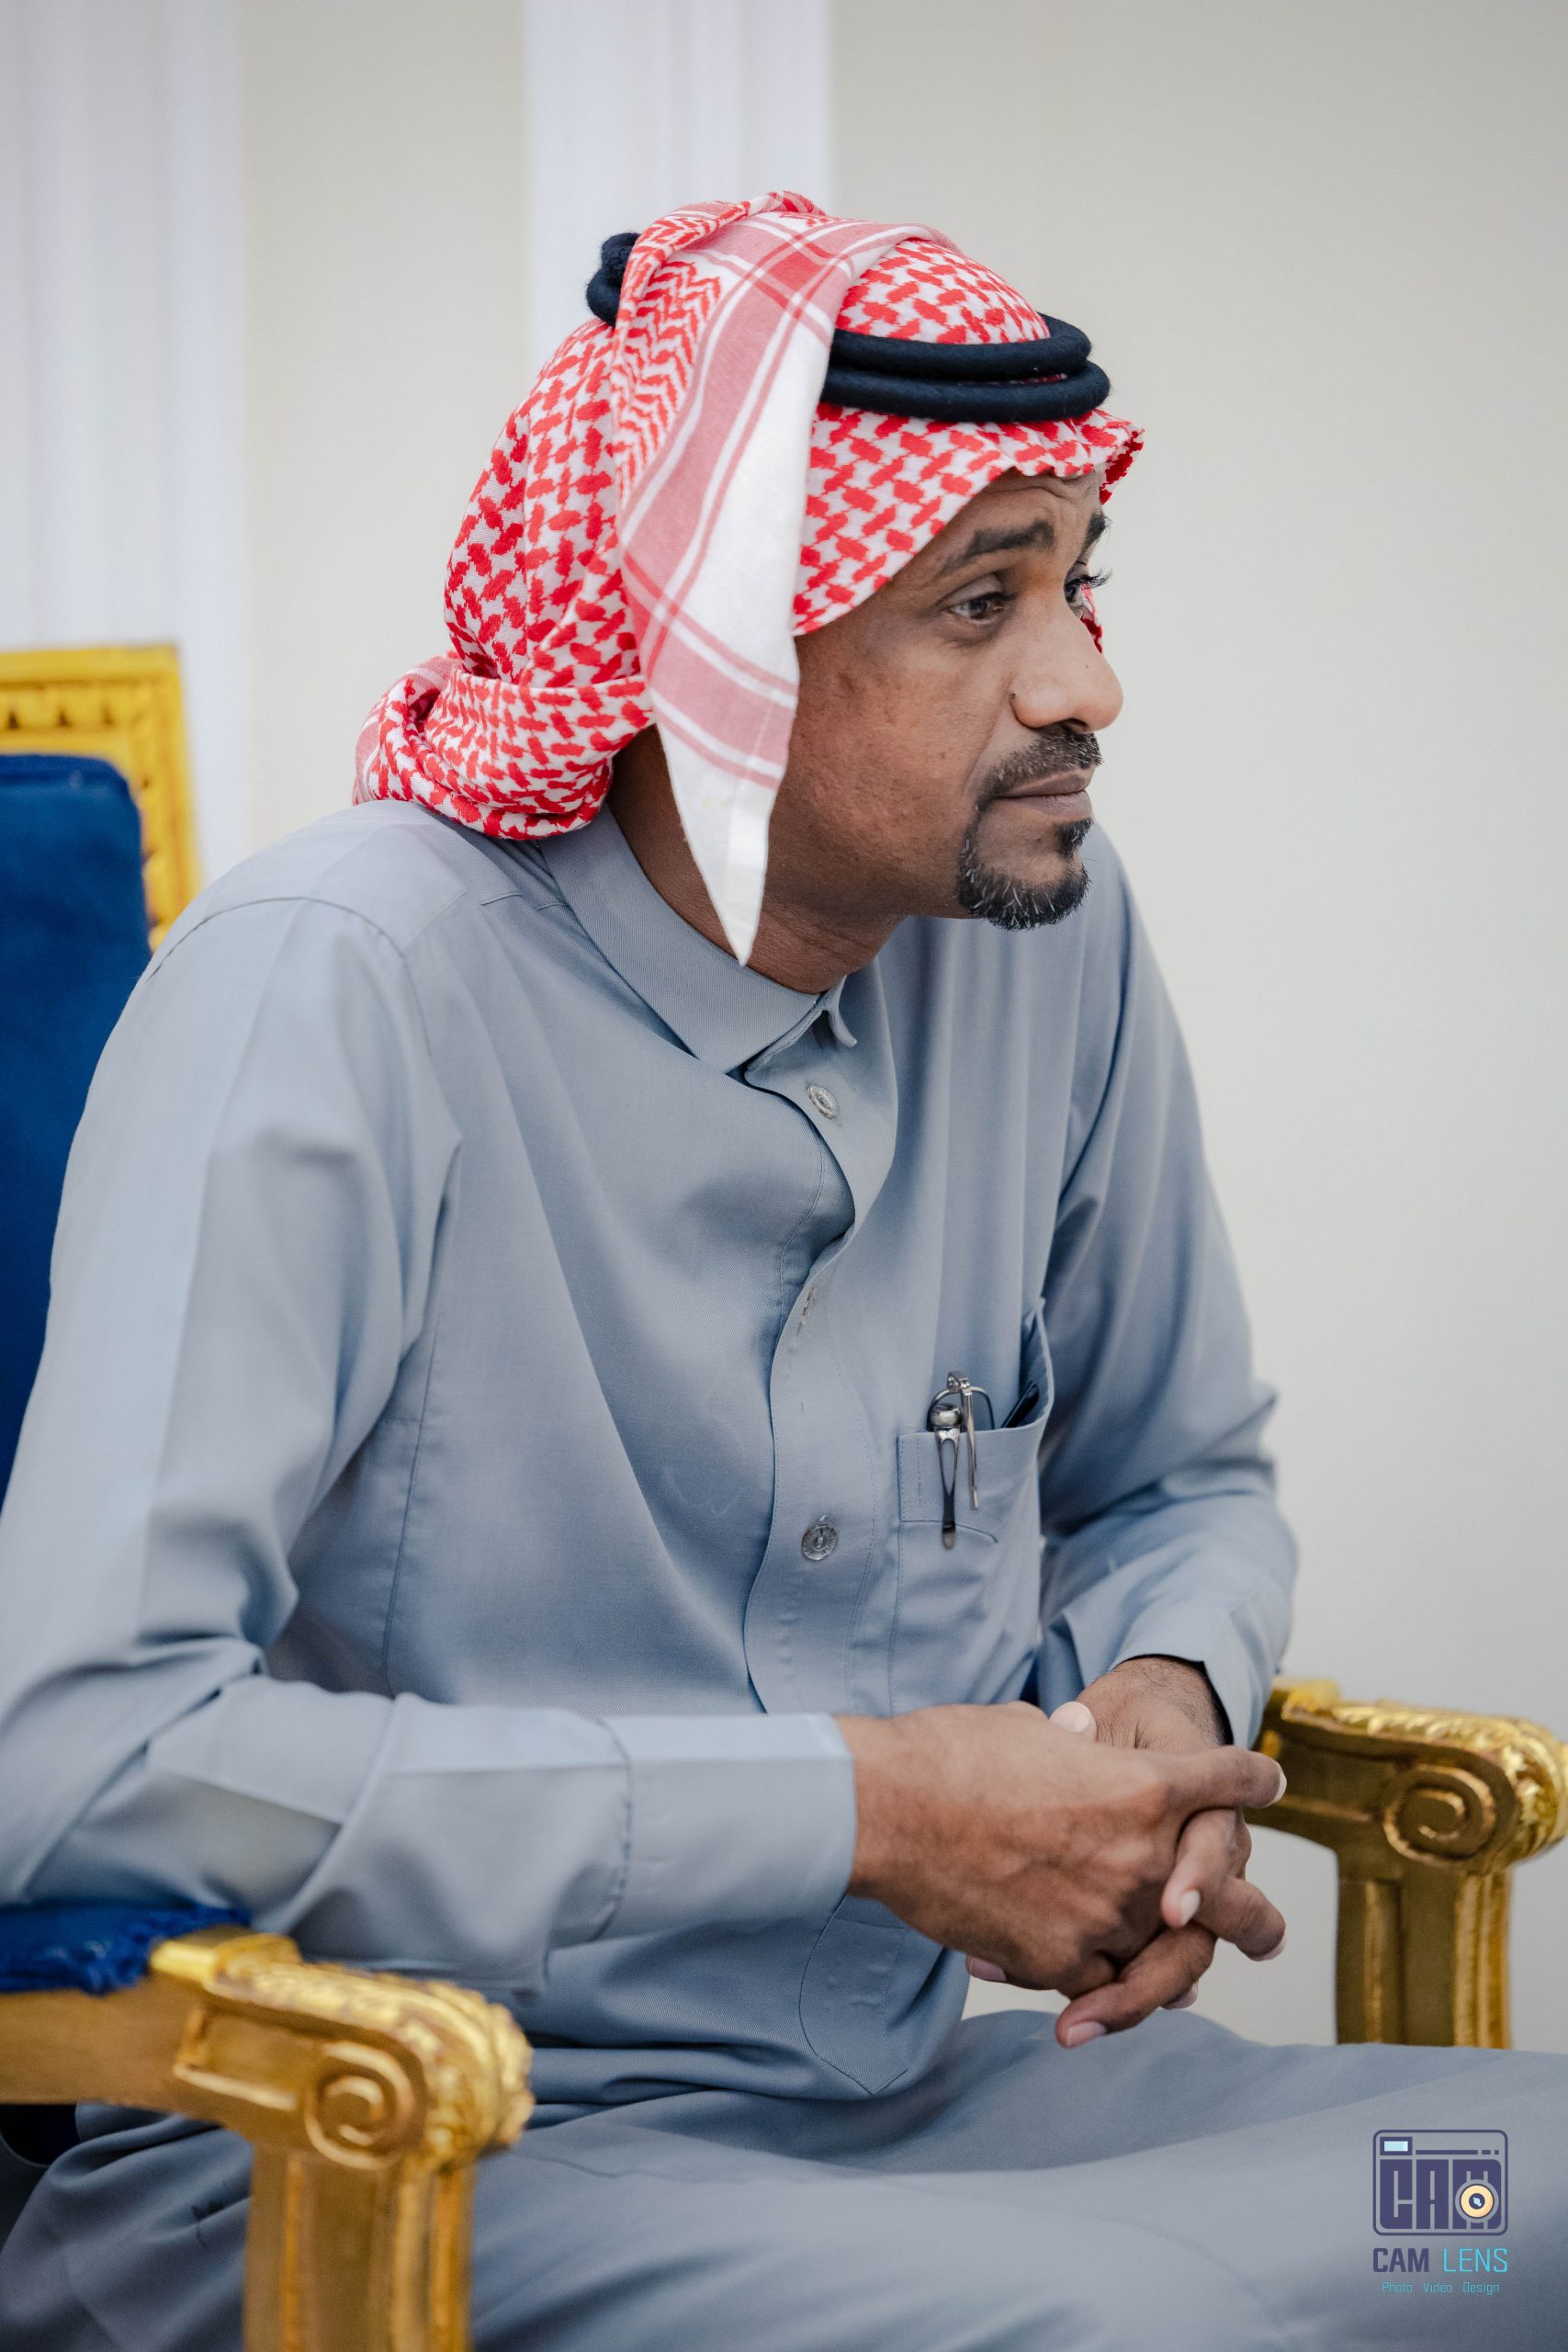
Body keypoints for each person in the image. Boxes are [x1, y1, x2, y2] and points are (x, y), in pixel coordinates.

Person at [0, 195, 1562, 2349]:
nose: (1084, 684)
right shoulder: (335, 982)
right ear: (713, 648)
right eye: (979, 600)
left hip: (935, 2111)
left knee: (1497, 2211)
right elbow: (76, 1755)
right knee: (1141, 2332)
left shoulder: (1046, 943)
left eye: (1079, 582)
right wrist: (868, 1812)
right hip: (404, 2146)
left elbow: (1180, 1476)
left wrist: (1158, 1693)